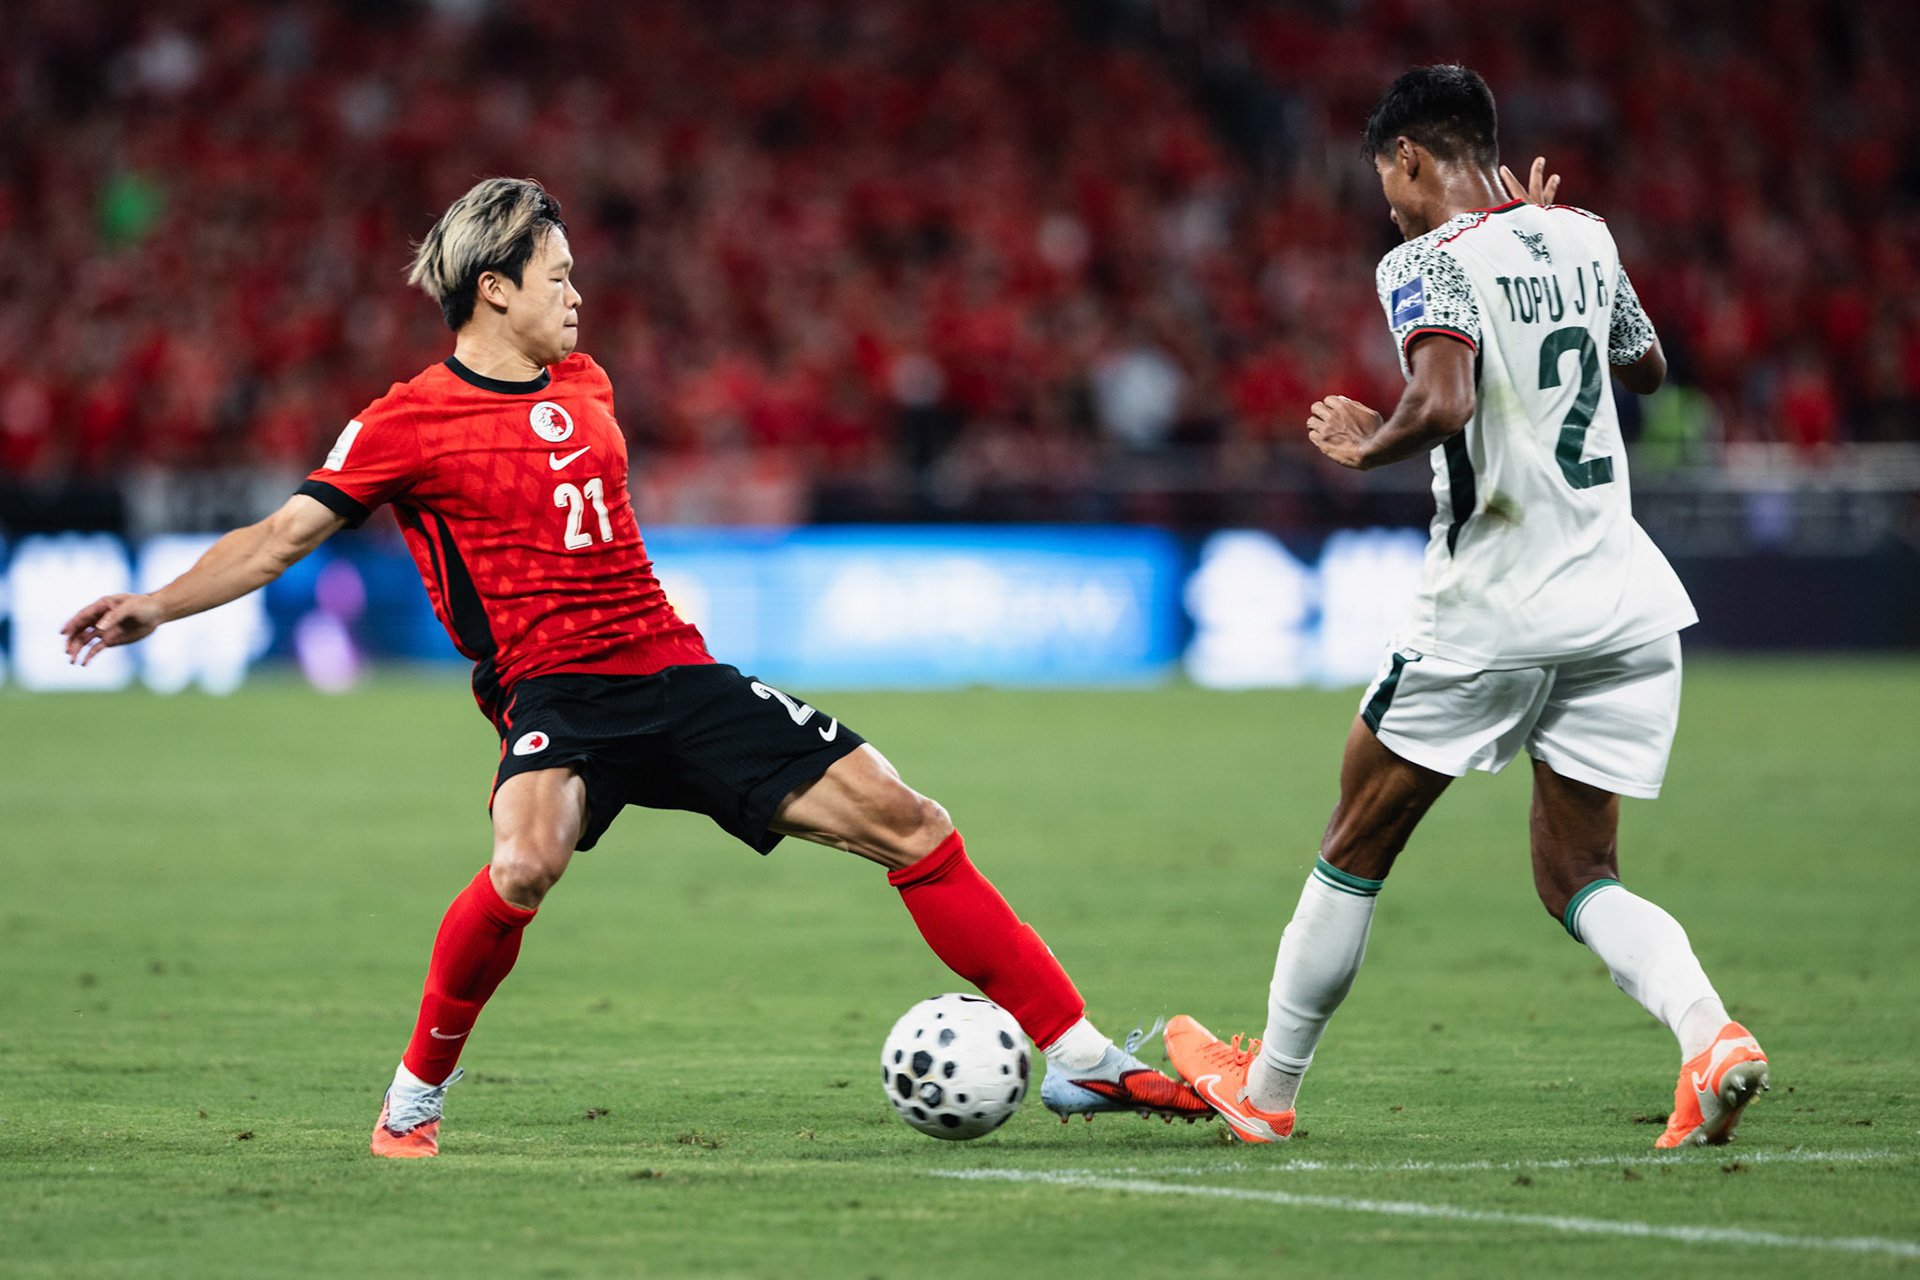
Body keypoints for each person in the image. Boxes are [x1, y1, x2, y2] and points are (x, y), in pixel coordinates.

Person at [63, 177, 1207, 1158]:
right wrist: (154, 605)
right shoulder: (405, 422)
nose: (576, 293)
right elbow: (276, 539)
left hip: (673, 668)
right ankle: (414, 1097)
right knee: (523, 863)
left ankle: (1081, 1058)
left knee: (910, 818)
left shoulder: (589, 385)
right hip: (555, 691)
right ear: (493, 287)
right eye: (556, 273)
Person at [1162, 66, 1768, 1149]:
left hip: (1491, 608)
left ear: (1409, 159)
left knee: (1355, 835)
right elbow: (1648, 367)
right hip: (1622, 603)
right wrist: (1545, 244)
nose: (1387, 204)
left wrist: (1367, 441)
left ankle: (1270, 1085)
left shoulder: (1425, 261)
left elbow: (1440, 401)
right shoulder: (1582, 231)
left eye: (1386, 181)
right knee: (1579, 872)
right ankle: (1710, 1033)